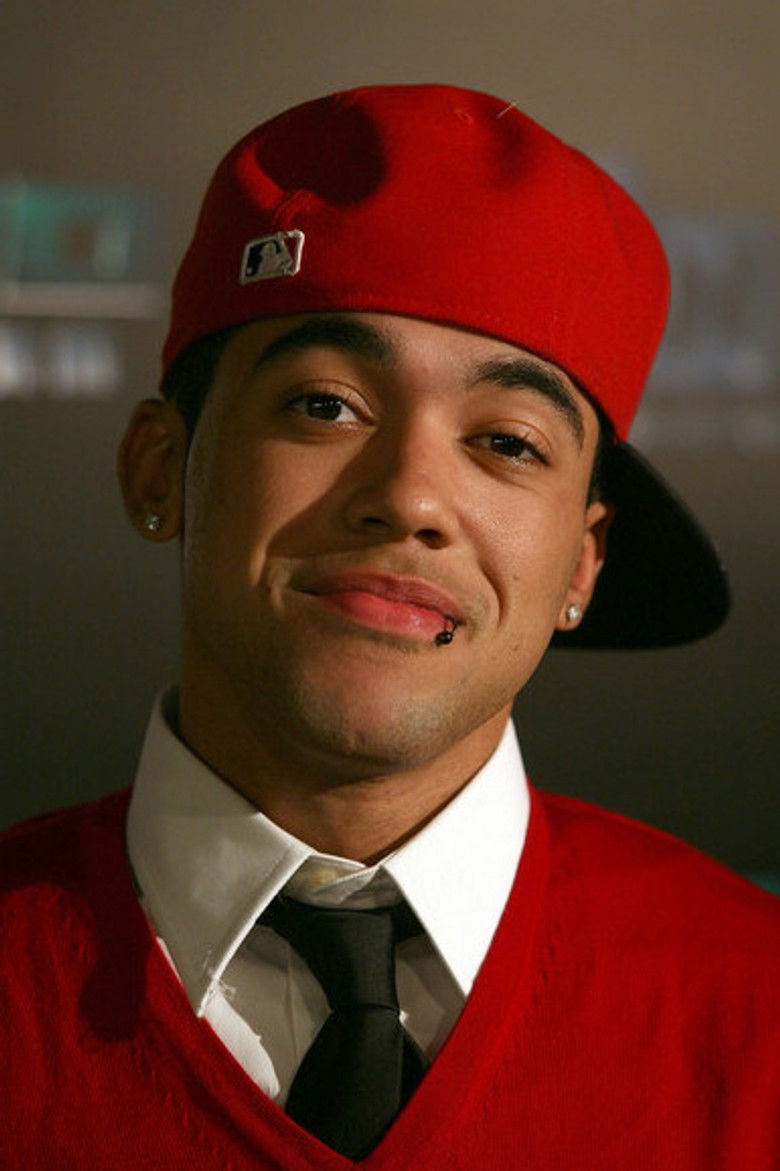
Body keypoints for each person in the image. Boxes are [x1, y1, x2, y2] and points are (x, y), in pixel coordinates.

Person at [2, 84, 778, 1170]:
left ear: (583, 562)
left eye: (507, 442)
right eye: (326, 404)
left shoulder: (754, 998)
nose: (411, 496)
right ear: (160, 468)